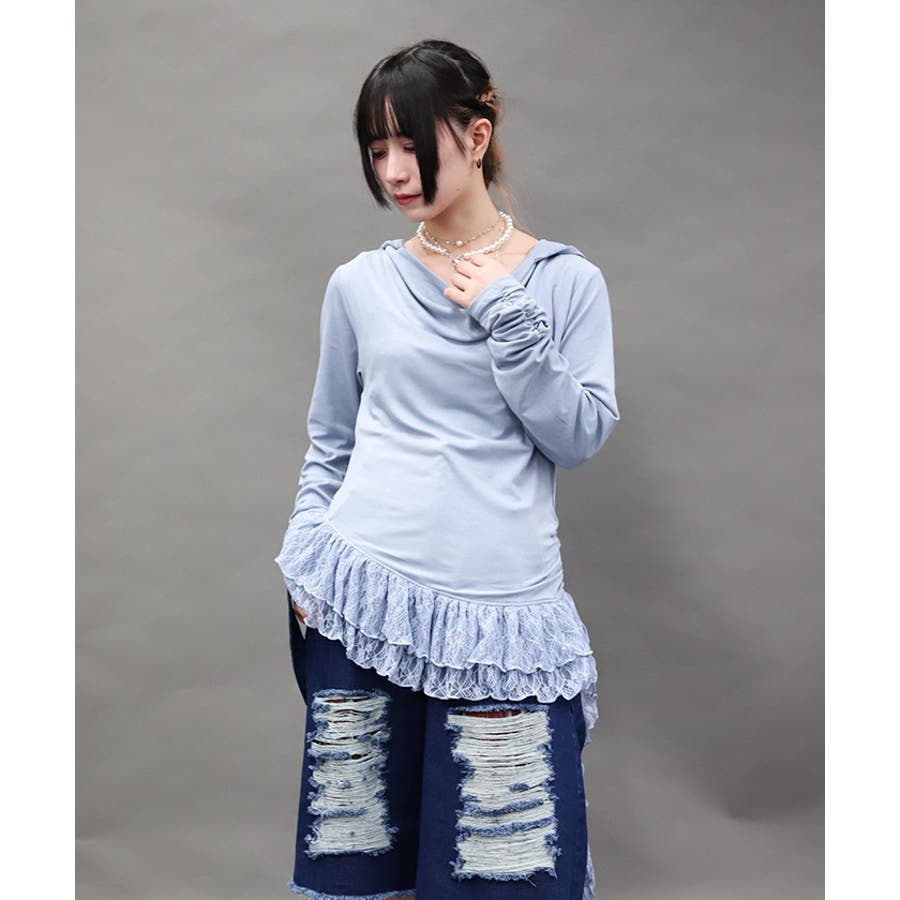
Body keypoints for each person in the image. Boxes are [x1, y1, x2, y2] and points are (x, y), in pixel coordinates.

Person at [274, 38, 620, 900]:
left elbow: (578, 436)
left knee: (502, 873)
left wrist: (506, 311)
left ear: (476, 135)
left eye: (411, 143)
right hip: (364, 607)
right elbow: (331, 441)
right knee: (362, 871)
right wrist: (304, 560)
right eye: (376, 148)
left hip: (501, 626)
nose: (393, 171)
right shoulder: (360, 285)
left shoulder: (563, 282)